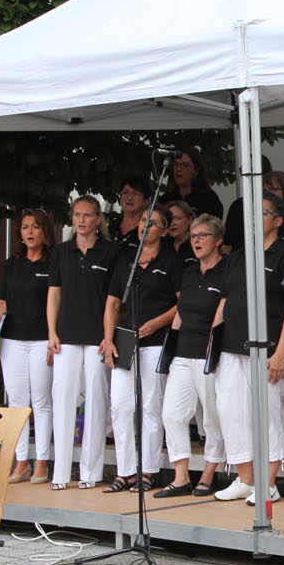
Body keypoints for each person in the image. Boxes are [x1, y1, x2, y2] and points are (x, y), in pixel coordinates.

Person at [213, 193, 284, 503]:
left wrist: (280, 353)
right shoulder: (238, 256)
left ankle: (269, 483)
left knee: (268, 413)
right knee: (231, 411)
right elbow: (224, 302)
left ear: (277, 220)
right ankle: (246, 478)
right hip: (230, 347)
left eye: (261, 213)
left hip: (268, 349)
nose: (253, 218)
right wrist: (213, 345)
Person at [100, 207, 180, 493]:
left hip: (155, 341)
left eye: (153, 222)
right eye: (144, 220)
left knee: (151, 406)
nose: (146, 225)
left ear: (164, 230)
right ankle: (125, 471)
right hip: (124, 341)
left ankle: (148, 470)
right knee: (121, 406)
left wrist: (157, 323)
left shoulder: (171, 261)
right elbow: (112, 303)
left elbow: (181, 303)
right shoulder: (126, 261)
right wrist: (108, 339)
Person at [47, 196, 121, 490]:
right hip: (65, 334)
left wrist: (108, 335)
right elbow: (54, 294)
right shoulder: (61, 252)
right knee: (61, 396)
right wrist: (51, 332)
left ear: (98, 219)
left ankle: (91, 471)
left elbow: (113, 300)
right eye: (77, 214)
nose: (81, 220)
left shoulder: (110, 252)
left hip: (97, 336)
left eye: (87, 215)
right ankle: (60, 473)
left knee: (96, 399)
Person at [155, 214, 229, 497]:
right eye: (193, 236)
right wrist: (169, 349)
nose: (196, 241)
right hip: (183, 353)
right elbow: (180, 313)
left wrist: (214, 345)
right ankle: (181, 476)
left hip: (208, 353)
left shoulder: (225, 272)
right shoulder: (188, 272)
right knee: (172, 414)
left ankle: (209, 474)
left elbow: (222, 312)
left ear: (218, 240)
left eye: (203, 236)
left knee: (211, 418)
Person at [0, 208, 56, 484]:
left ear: (44, 231)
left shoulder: (52, 264)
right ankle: (21, 461)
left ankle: (42, 462)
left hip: (41, 339)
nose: (29, 232)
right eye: (25, 227)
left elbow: (56, 303)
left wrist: (53, 337)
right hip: (12, 339)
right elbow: (1, 303)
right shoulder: (12, 263)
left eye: (35, 227)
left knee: (41, 401)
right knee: (16, 401)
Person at [166, 148, 224, 218]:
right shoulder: (166, 199)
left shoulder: (209, 199)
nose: (178, 169)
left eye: (185, 165)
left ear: (196, 171)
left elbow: (213, 226)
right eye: (176, 164)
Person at [111, 175, 152, 246]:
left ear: (146, 201)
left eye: (135, 194)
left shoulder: (149, 231)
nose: (129, 198)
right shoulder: (111, 229)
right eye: (125, 193)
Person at [165, 200, 196, 270]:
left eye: (177, 218)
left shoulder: (197, 244)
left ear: (190, 220)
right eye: (169, 219)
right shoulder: (162, 245)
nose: (172, 223)